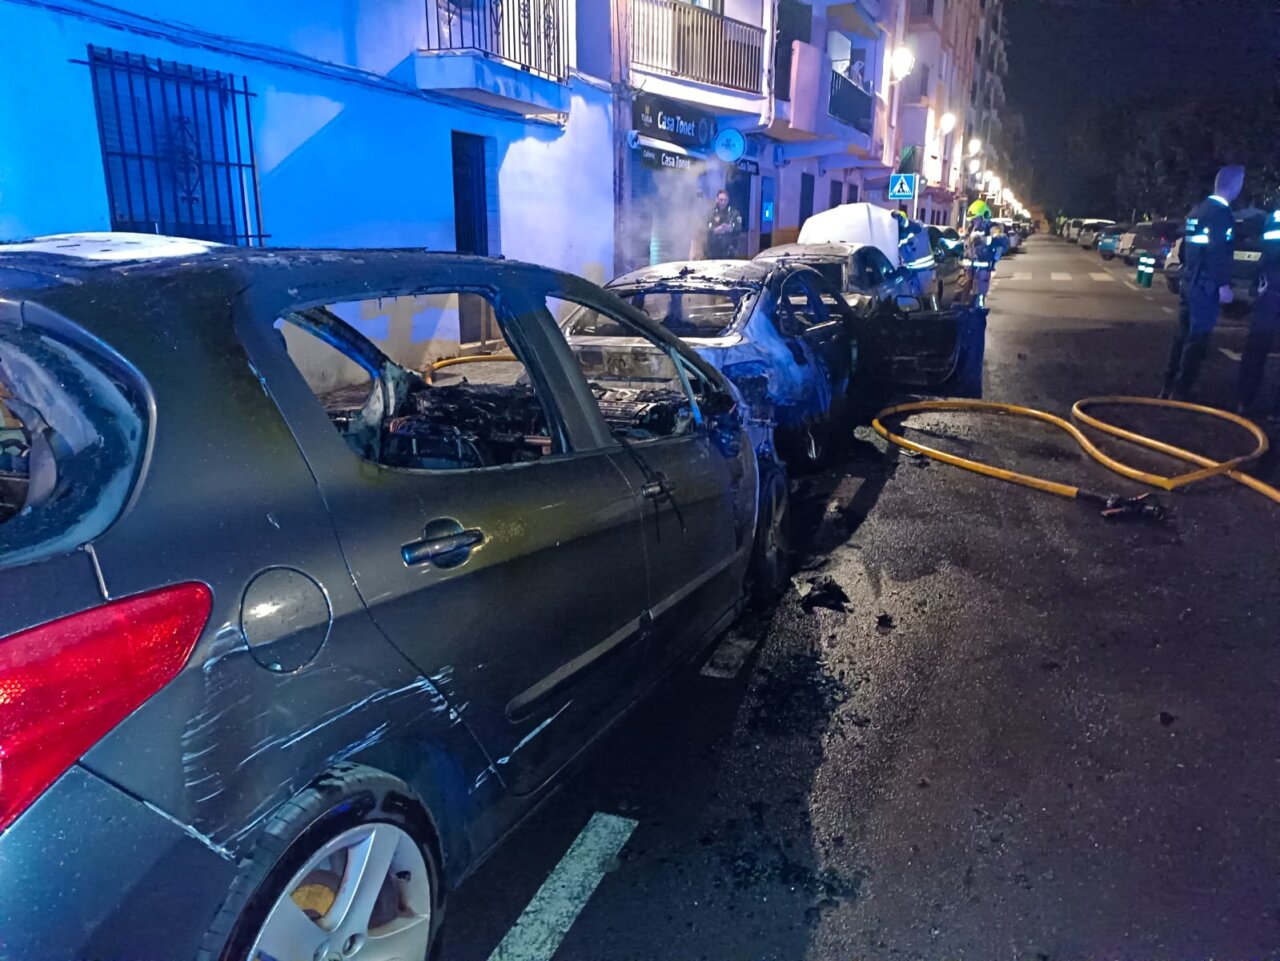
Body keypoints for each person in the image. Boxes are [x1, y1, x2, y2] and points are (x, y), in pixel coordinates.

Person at [1160, 164, 1244, 400]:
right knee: (1197, 340)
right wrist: (1223, 285)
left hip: (1190, 281)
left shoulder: (1197, 211)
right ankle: (1181, 391)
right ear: (1235, 185)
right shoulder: (1221, 215)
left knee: (1182, 335)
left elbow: (1186, 248)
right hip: (1206, 286)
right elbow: (1218, 252)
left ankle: (1167, 385)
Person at [1237, 209, 1280, 417]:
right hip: (1272, 286)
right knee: (1257, 346)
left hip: (1270, 285)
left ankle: (1245, 400)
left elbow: (1266, 246)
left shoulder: (1276, 216)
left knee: (1257, 346)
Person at [892, 209, 938, 306]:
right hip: (915, 272)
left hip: (926, 271)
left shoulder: (915, 228)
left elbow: (908, 225)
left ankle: (935, 316)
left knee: (928, 298)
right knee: (917, 299)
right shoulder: (900, 235)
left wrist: (900, 219)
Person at [962, 199, 995, 307]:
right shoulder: (971, 227)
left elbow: (998, 239)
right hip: (969, 268)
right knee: (964, 295)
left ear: (983, 216)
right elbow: (965, 242)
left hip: (983, 268)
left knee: (979, 296)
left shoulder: (991, 227)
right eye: (972, 219)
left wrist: (982, 240)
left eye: (975, 218)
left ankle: (979, 311)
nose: (973, 221)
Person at [705, 189, 743, 259]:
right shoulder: (711, 213)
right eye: (721, 200)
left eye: (725, 200)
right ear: (717, 199)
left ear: (728, 200)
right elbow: (704, 228)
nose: (723, 202)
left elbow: (739, 228)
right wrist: (715, 230)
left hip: (729, 250)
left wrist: (730, 229)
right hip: (713, 250)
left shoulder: (734, 213)